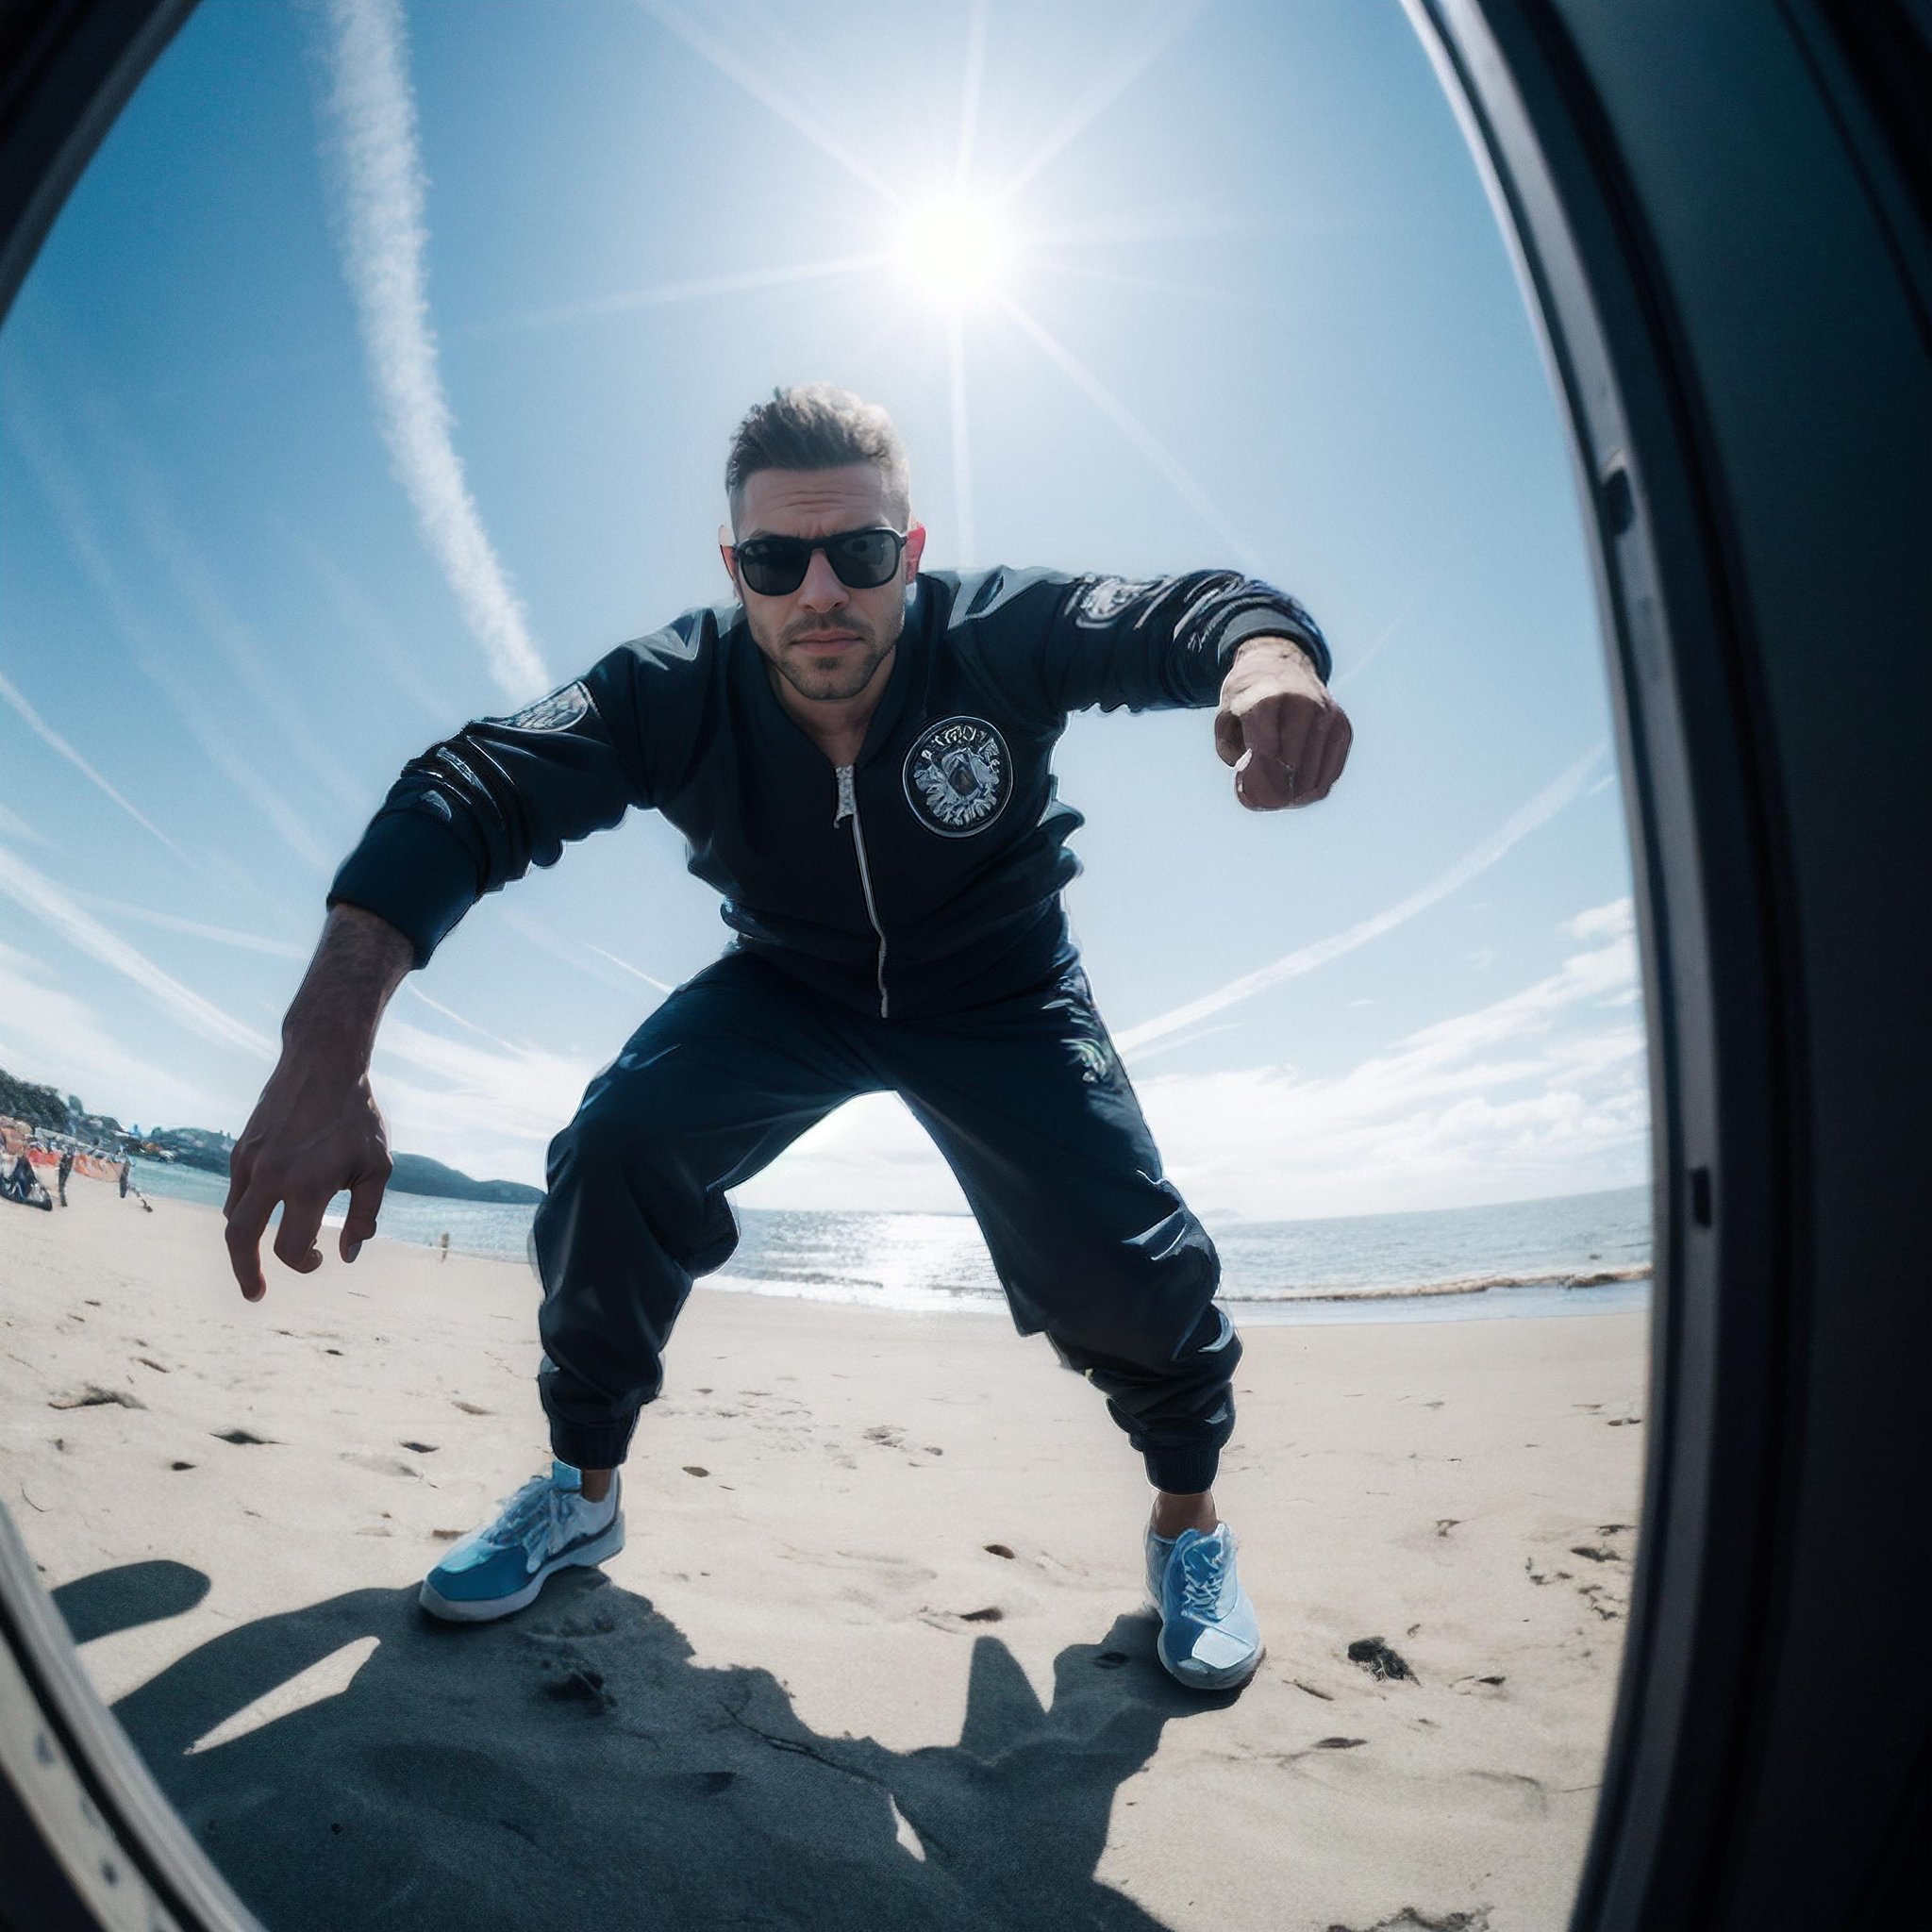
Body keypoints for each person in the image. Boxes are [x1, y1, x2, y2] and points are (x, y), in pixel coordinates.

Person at [223, 385, 1353, 1690]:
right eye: (777, 560)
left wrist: (1267, 660)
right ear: (737, 570)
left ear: (910, 555)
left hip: (1000, 985)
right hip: (792, 981)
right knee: (615, 1147)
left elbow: (1190, 613)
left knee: (1128, 1270)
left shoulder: (997, 635)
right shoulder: (675, 687)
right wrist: (326, 1047)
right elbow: (470, 787)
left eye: (860, 554)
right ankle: (581, 1491)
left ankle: (1187, 1533)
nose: (822, 591)